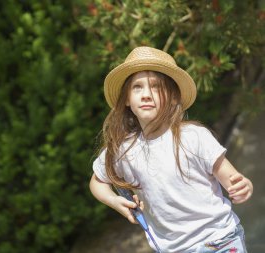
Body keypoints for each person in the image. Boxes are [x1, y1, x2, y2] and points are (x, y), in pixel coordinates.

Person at [89, 46, 253, 252]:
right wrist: (115, 201)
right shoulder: (124, 150)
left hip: (220, 240)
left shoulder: (193, 137)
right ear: (127, 100)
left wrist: (243, 186)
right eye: (137, 87)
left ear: (174, 97)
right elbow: (97, 181)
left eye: (156, 87)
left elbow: (233, 179)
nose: (146, 94)